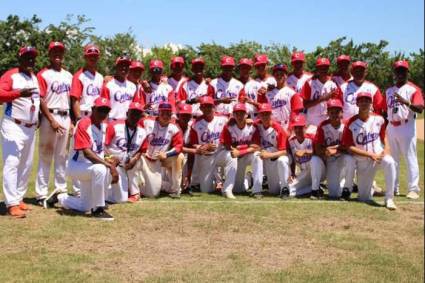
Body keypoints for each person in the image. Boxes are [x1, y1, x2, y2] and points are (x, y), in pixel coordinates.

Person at [56, 97, 119, 220]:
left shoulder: (102, 125)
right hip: (77, 166)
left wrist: (110, 158)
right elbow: (87, 153)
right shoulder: (84, 123)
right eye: (100, 110)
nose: (103, 114)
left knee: (85, 206)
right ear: (93, 109)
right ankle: (98, 209)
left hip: (90, 167)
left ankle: (61, 197)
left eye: (106, 111)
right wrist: (109, 165)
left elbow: (99, 149)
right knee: (102, 169)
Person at [0, 46, 40, 218]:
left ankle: (19, 197)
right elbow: (0, 94)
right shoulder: (11, 75)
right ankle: (11, 203)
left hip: (30, 127)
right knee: (12, 163)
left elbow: (38, 100)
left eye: (32, 58)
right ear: (20, 59)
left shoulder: (34, 77)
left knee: (26, 164)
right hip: (13, 124)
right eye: (27, 57)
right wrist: (17, 94)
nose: (30, 60)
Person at [341, 92, 397, 210]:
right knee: (363, 198)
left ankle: (389, 198)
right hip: (363, 161)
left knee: (391, 162)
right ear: (357, 103)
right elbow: (349, 147)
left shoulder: (379, 119)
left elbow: (384, 136)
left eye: (367, 100)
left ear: (370, 102)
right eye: (361, 100)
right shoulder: (350, 123)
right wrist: (370, 155)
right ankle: (370, 189)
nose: (364, 103)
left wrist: (387, 148)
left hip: (379, 156)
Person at [35, 41, 73, 206]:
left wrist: (71, 121)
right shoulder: (43, 74)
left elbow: (71, 100)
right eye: (54, 51)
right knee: (45, 155)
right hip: (49, 115)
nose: (57, 54)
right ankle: (41, 194)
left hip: (65, 115)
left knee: (62, 156)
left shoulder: (68, 75)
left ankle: (61, 190)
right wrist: (51, 119)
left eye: (60, 51)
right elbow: (40, 99)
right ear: (49, 54)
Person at [384, 60, 424, 199]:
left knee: (410, 158)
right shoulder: (389, 90)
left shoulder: (414, 89)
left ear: (407, 72)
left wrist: (407, 102)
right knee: (392, 159)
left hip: (406, 125)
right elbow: (385, 110)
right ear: (394, 73)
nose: (400, 73)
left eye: (403, 71)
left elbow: (420, 108)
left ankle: (414, 189)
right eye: (398, 71)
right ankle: (394, 188)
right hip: (391, 126)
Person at [189, 96, 237, 198]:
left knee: (232, 156)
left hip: (220, 153)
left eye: (209, 106)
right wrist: (203, 146)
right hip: (206, 157)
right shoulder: (195, 124)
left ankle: (227, 189)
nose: (207, 108)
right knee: (206, 190)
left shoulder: (223, 119)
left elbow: (238, 119)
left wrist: (250, 120)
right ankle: (217, 181)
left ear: (213, 107)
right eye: (204, 106)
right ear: (200, 108)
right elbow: (193, 143)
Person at [139, 102, 184, 197]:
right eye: (163, 113)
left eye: (168, 113)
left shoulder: (174, 128)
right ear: (158, 113)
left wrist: (167, 154)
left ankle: (175, 189)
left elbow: (179, 146)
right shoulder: (146, 122)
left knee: (179, 157)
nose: (165, 116)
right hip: (143, 158)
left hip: (159, 160)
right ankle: (133, 189)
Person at [105, 102, 147, 203]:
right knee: (111, 196)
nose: (135, 116)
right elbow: (103, 146)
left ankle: (130, 190)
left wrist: (135, 159)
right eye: (133, 113)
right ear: (127, 113)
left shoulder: (142, 131)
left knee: (122, 199)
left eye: (138, 114)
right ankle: (100, 193)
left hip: (126, 165)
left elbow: (141, 150)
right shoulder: (114, 126)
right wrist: (110, 159)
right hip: (110, 164)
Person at [313, 99, 354, 199]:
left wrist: (335, 149)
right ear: (328, 113)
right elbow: (318, 149)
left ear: (342, 113)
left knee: (351, 160)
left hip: (343, 157)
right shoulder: (323, 126)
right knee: (333, 194)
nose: (335, 114)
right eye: (332, 112)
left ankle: (347, 189)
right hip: (330, 160)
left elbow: (350, 148)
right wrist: (327, 150)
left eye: (337, 112)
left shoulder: (347, 125)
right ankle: (340, 185)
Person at [220, 103, 263, 196]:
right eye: (237, 114)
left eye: (242, 113)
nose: (239, 116)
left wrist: (241, 149)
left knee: (257, 155)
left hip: (245, 155)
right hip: (235, 157)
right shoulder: (228, 126)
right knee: (238, 189)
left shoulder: (253, 127)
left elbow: (257, 147)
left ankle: (257, 190)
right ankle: (248, 179)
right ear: (233, 115)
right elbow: (227, 146)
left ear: (246, 114)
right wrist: (247, 147)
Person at [255, 103, 290, 197]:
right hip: (264, 159)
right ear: (259, 115)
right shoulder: (257, 124)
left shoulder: (279, 129)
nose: (265, 116)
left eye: (267, 114)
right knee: (256, 154)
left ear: (271, 114)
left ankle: (284, 186)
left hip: (275, 160)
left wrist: (269, 155)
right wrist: (247, 120)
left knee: (274, 191)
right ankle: (253, 179)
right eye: (262, 114)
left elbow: (285, 151)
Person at [287, 114, 324, 199]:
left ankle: (315, 190)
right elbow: (291, 159)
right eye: (295, 127)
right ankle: (314, 188)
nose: (298, 130)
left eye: (300, 127)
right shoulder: (291, 141)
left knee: (315, 159)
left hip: (320, 171)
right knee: (289, 190)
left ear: (305, 127)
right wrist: (292, 173)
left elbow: (321, 152)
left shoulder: (313, 137)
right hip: (305, 173)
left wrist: (305, 152)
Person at [302, 57, 339, 128]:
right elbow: (305, 105)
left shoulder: (332, 83)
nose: (323, 70)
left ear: (328, 68)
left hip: (328, 119)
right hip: (312, 120)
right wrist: (323, 98)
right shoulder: (309, 83)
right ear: (317, 69)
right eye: (321, 68)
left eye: (325, 68)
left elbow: (336, 105)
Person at [265, 63, 304, 131]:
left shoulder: (292, 93)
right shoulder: (268, 94)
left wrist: (290, 129)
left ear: (286, 76)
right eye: (277, 74)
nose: (279, 76)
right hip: (273, 127)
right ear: (274, 76)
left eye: (282, 74)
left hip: (287, 126)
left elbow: (295, 113)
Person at [70, 44, 104, 121]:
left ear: (98, 58)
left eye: (95, 56)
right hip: (84, 115)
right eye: (90, 56)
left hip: (98, 116)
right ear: (85, 57)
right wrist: (78, 119)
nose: (93, 58)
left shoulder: (100, 77)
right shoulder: (79, 76)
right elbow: (75, 100)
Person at [101, 55, 139, 120]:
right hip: (112, 121)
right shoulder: (108, 85)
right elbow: (103, 109)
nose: (124, 67)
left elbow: (135, 108)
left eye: (126, 66)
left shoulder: (133, 86)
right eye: (121, 65)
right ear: (116, 67)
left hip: (127, 123)